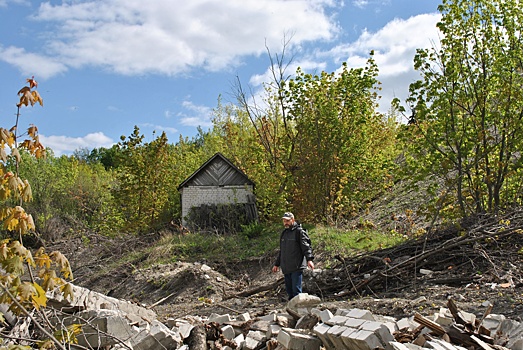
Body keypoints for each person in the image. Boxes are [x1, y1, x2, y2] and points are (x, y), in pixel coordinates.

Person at [272, 212, 314, 300]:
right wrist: (277, 264)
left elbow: (306, 247)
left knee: (296, 291)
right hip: (286, 267)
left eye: (287, 220)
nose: (285, 223)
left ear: (293, 220)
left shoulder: (300, 232)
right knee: (290, 292)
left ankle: (300, 310)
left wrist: (309, 259)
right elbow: (282, 251)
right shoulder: (284, 233)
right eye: (284, 221)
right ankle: (292, 311)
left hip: (296, 266)